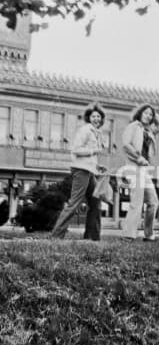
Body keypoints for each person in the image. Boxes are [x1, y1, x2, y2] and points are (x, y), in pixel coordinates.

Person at [51, 102, 105, 241]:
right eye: (93, 116)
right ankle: (56, 236)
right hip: (81, 170)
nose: (96, 119)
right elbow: (76, 150)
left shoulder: (96, 133)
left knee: (95, 202)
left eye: (99, 116)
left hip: (90, 171)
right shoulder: (85, 130)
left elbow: (89, 156)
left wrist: (98, 167)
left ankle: (92, 237)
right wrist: (94, 151)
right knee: (74, 202)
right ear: (88, 118)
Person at [122, 104, 159, 241]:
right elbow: (126, 144)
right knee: (137, 201)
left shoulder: (149, 131)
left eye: (150, 114)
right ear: (140, 113)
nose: (148, 116)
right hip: (133, 167)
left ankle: (148, 234)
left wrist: (154, 117)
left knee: (153, 202)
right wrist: (138, 157)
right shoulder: (133, 126)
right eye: (145, 113)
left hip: (144, 170)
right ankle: (129, 234)